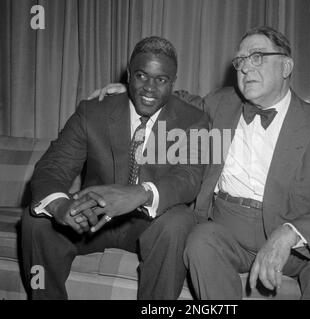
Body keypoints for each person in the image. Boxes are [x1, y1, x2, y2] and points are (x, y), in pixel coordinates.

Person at [91, 26, 310, 300]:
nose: (245, 68)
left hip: (294, 244)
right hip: (227, 233)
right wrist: (134, 91)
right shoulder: (220, 104)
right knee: (200, 240)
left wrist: (288, 235)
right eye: (240, 61)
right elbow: (181, 102)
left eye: (257, 57)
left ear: (286, 67)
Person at [21, 36, 208, 300]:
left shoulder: (193, 120)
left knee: (178, 222)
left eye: (161, 80)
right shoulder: (92, 112)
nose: (150, 89)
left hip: (150, 223)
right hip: (92, 217)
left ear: (173, 82)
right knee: (36, 219)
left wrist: (138, 194)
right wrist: (60, 206)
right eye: (142, 76)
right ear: (129, 75)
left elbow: (188, 178)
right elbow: (53, 167)